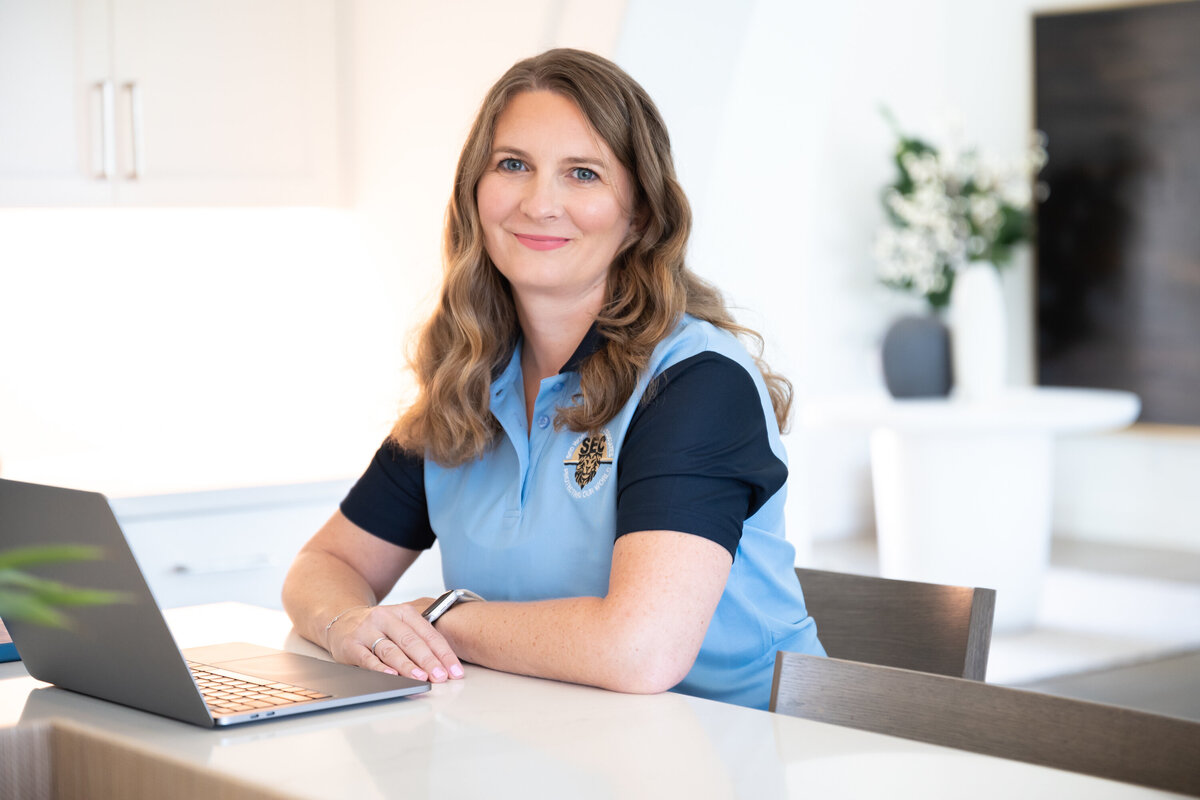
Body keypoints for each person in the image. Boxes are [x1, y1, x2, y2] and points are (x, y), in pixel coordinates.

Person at [282, 48, 824, 710]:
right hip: (553, 747)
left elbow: (640, 650)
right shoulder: (470, 381)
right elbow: (324, 567)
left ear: (641, 217)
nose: (540, 203)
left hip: (745, 757)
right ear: (474, 196)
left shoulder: (696, 385)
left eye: (583, 174)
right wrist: (351, 626)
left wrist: (439, 618)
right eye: (513, 165)